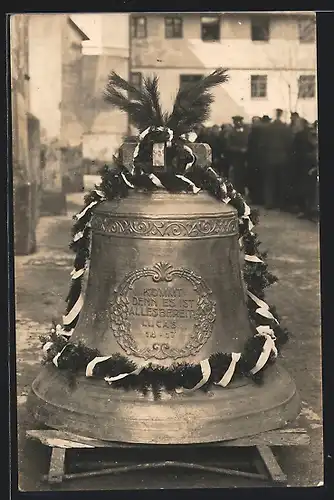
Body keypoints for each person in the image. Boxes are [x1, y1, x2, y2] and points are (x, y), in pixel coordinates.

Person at [259, 109, 293, 210]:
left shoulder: (268, 128)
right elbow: (289, 143)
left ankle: (269, 202)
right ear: (281, 114)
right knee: (282, 181)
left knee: (269, 181)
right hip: (282, 157)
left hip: (270, 157)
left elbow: (262, 144)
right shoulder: (285, 128)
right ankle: (281, 203)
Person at [224, 116, 250, 195]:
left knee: (243, 174)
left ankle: (242, 190)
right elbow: (228, 146)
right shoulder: (230, 133)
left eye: (239, 121)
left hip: (245, 157)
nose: (238, 123)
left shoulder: (246, 132)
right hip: (235, 157)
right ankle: (237, 190)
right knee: (236, 174)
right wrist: (239, 149)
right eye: (236, 121)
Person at [247, 116, 263, 204]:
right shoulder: (262, 133)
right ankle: (257, 198)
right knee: (257, 180)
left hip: (253, 160)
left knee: (254, 180)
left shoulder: (252, 133)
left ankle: (255, 198)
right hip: (258, 160)